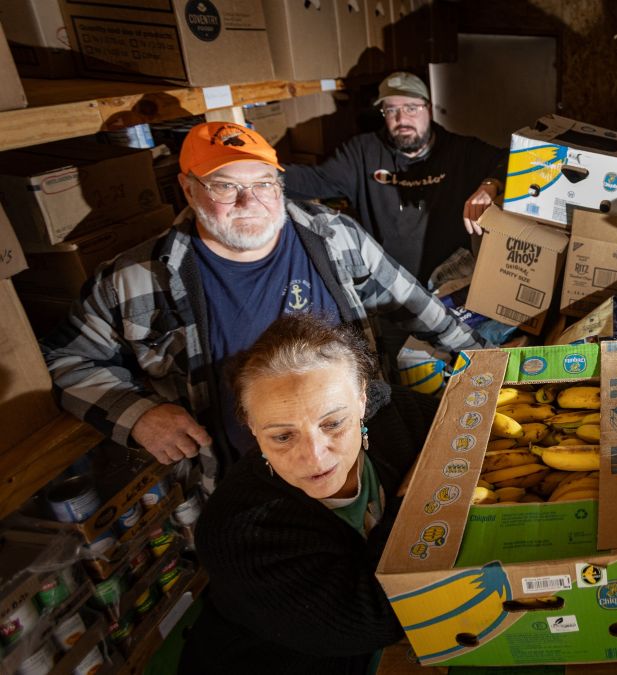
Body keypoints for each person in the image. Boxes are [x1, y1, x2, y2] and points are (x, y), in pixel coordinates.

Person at [41, 122, 484, 492]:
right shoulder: (135, 280)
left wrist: (488, 360)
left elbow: (415, 304)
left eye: (263, 184)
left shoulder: (333, 238)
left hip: (357, 457)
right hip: (243, 481)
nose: (248, 202)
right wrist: (137, 415)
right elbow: (67, 360)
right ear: (188, 190)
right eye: (225, 186)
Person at [180, 313, 424, 674]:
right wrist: (416, 498)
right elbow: (379, 618)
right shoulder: (236, 531)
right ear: (252, 427)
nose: (314, 457)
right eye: (282, 436)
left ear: (362, 400)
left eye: (333, 423)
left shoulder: (393, 414)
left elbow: (463, 429)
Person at [282, 71, 506, 285]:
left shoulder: (460, 151)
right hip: (389, 285)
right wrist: (261, 173)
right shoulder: (362, 152)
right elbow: (313, 180)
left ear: (428, 109)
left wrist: (491, 185)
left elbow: (510, 160)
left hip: (450, 279)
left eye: (411, 108)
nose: (401, 119)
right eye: (391, 110)